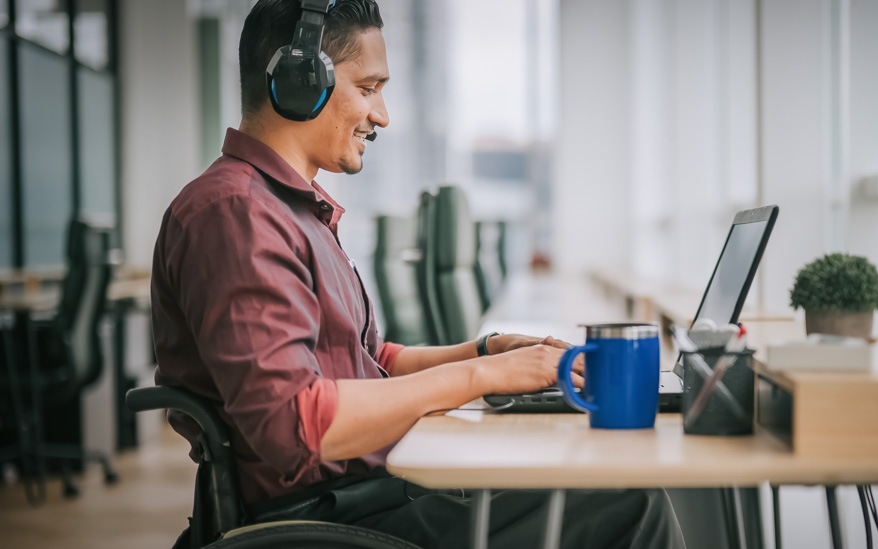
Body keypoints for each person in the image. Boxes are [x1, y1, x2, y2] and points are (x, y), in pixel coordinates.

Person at [150, 1, 685, 547]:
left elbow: (370, 363)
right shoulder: (235, 215)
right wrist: (482, 380)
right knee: (630, 505)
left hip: (371, 490)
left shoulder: (288, 210)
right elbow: (295, 425)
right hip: (322, 520)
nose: (382, 115)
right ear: (298, 79)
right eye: (368, 87)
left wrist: (486, 353)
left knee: (606, 486)